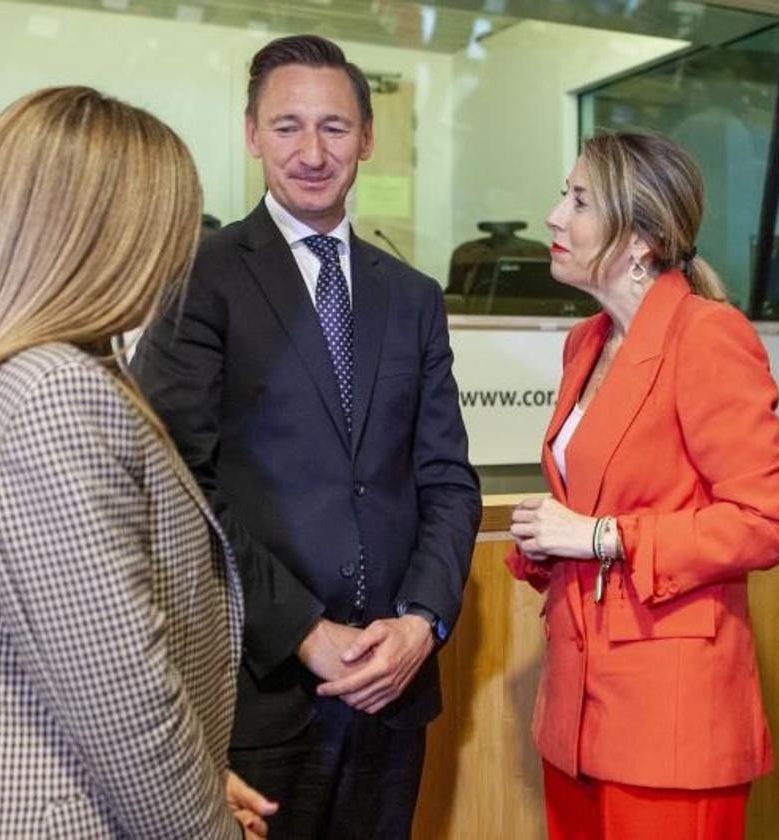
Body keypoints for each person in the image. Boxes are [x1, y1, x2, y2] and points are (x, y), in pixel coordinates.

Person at [0, 86, 275, 839]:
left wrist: (194, 782)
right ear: (101, 235)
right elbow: (122, 700)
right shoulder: (54, 395)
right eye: (168, 229)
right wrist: (204, 827)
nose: (178, 257)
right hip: (53, 815)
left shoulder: (34, 374)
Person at [132, 34, 481, 839]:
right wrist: (303, 632)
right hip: (258, 691)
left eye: (334, 126)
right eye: (287, 127)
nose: (313, 151)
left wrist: (421, 623)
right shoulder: (200, 278)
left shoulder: (415, 297)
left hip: (394, 694)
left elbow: (446, 481)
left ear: (366, 137)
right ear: (251, 135)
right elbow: (183, 485)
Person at [505, 131, 779, 840]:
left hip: (671, 720)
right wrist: (549, 544)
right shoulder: (587, 341)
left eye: (577, 200)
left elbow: (768, 521)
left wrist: (600, 536)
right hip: (576, 711)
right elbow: (605, 498)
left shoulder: (708, 335)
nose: (553, 216)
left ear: (640, 239)